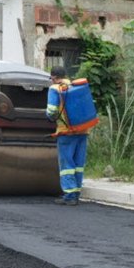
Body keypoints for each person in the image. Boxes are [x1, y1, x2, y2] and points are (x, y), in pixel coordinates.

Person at [46, 74, 98, 205]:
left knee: (67, 164)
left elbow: (52, 111)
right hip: (83, 131)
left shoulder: (55, 88)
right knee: (78, 164)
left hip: (66, 133)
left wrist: (50, 118)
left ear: (53, 77)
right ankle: (76, 193)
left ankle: (69, 195)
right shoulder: (76, 87)